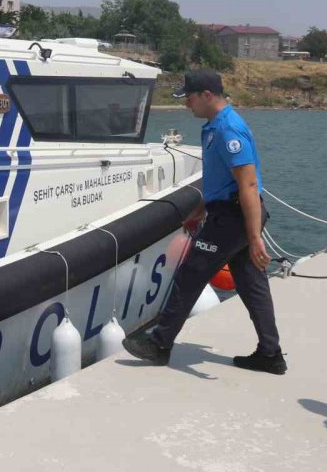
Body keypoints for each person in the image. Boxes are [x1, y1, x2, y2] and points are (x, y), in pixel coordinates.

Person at [122, 70, 286, 374]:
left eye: (190, 97)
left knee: (192, 274)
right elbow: (221, 179)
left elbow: (248, 185)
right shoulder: (213, 127)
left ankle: (159, 344)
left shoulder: (228, 131)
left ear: (207, 95)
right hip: (228, 213)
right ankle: (270, 354)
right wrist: (202, 207)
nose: (187, 104)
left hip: (234, 218)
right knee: (252, 285)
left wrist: (253, 238)